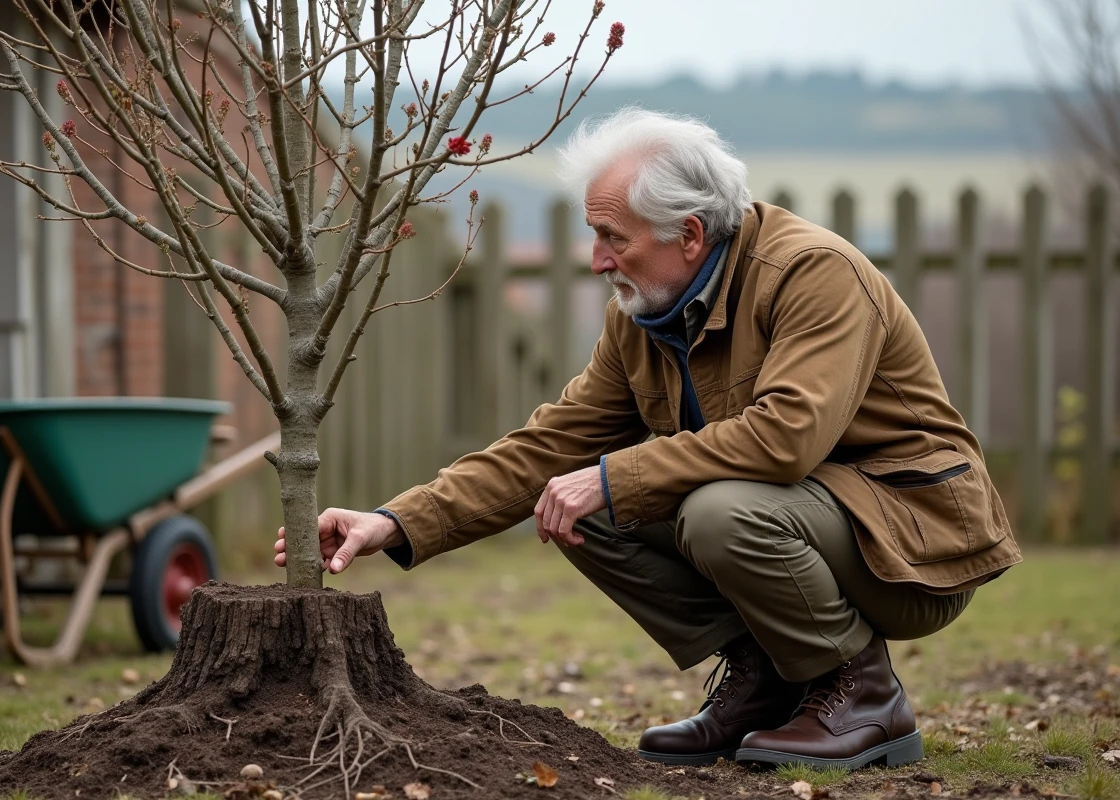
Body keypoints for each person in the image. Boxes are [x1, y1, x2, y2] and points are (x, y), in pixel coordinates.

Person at [273, 108, 1021, 771]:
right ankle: (767, 678)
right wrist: (396, 520)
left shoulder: (812, 274)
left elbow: (788, 436)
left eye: (611, 237)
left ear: (689, 234)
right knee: (581, 504)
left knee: (716, 511)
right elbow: (551, 445)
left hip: (912, 541)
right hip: (809, 524)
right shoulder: (638, 315)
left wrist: (616, 476)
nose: (597, 259)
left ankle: (859, 691)